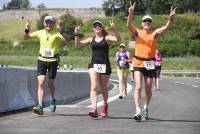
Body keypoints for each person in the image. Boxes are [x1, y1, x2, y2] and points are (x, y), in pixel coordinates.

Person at [127, 2, 176, 121]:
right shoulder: (138, 32)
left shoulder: (154, 33)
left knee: (148, 89)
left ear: (151, 23)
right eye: (144, 21)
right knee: (138, 87)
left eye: (148, 21)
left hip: (150, 64)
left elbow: (165, 28)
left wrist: (170, 19)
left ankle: (145, 108)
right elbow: (129, 25)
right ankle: (137, 111)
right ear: (142, 23)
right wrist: (130, 14)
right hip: (138, 62)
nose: (146, 23)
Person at [74, 19, 121, 118]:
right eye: (95, 26)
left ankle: (105, 105)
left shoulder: (107, 38)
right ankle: (94, 109)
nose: (97, 27)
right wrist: (76, 35)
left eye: (99, 26)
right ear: (93, 29)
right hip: (93, 65)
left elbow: (118, 39)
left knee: (103, 88)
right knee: (94, 87)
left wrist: (115, 29)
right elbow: (78, 44)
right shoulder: (91, 39)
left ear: (102, 28)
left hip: (104, 65)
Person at [24, 16, 70, 115]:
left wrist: (61, 31)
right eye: (47, 22)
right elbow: (26, 38)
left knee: (50, 84)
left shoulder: (57, 33)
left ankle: (53, 99)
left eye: (50, 22)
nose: (48, 24)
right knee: (41, 82)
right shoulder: (40, 32)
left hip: (53, 61)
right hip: (41, 60)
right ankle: (40, 106)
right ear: (44, 23)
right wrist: (27, 29)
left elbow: (67, 39)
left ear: (53, 24)